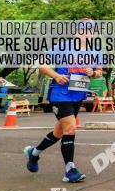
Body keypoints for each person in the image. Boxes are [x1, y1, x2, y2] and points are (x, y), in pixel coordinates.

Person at [24, 19, 102, 182]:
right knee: (71, 127)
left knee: (60, 132)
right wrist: (56, 76)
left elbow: (99, 72)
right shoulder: (62, 47)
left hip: (77, 96)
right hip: (60, 94)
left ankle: (34, 153)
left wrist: (92, 73)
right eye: (83, 30)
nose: (86, 33)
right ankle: (70, 169)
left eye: (90, 31)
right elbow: (42, 65)